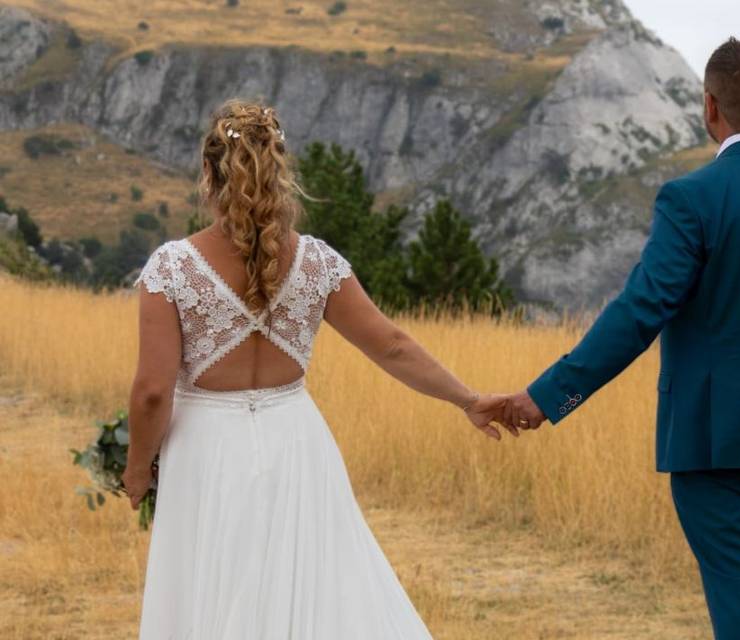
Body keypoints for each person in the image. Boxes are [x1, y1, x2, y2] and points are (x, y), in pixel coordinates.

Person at [496, 37, 740, 639]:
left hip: (713, 436)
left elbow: (641, 310)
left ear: (709, 107)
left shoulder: (692, 199)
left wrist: (549, 396)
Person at [122, 99, 513, 639]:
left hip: (207, 451)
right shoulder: (319, 263)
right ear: (280, 172)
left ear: (208, 174)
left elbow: (150, 393)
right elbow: (393, 346)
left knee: (212, 589)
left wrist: (138, 469)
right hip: (295, 443)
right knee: (312, 591)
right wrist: (467, 399)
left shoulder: (172, 267)